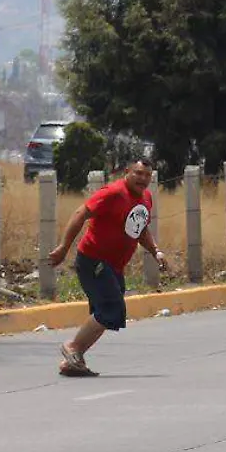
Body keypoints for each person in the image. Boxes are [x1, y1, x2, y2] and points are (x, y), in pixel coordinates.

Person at [49, 160, 167, 377]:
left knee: (105, 313)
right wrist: (64, 247)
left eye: (147, 175)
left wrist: (155, 251)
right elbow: (79, 214)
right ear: (127, 172)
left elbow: (139, 229)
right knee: (111, 309)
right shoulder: (113, 193)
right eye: (138, 173)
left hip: (113, 266)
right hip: (93, 260)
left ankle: (73, 362)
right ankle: (73, 347)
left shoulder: (145, 199)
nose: (143, 179)